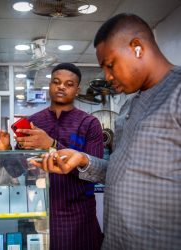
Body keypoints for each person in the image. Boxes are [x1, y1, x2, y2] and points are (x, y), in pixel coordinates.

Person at [31, 13, 181, 250]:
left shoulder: (177, 93)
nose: (108, 77)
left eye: (110, 65)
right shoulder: (128, 107)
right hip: (117, 240)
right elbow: (117, 171)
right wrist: (82, 159)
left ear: (137, 48)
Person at [0, 63, 104, 250]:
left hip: (78, 217)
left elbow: (97, 173)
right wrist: (6, 149)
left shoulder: (89, 124)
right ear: (49, 85)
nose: (61, 87)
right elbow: (17, 171)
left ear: (77, 89)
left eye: (69, 84)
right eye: (56, 82)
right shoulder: (33, 122)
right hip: (36, 212)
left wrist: (52, 145)